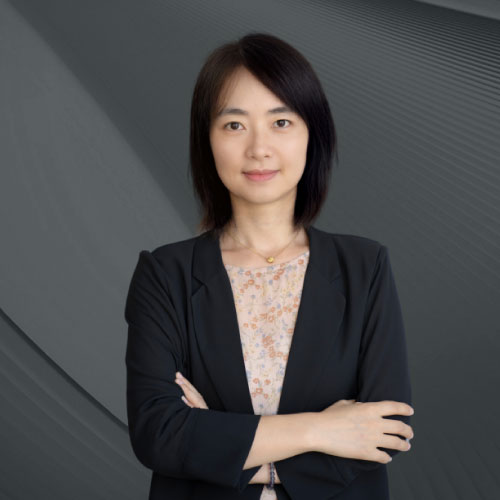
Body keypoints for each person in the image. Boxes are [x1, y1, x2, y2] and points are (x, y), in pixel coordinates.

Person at [125, 32, 414, 500]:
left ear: (312, 134)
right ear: (207, 140)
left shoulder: (364, 267)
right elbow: (159, 435)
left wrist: (215, 443)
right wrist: (323, 429)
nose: (258, 148)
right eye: (234, 125)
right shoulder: (165, 274)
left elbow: (385, 430)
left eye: (281, 122)